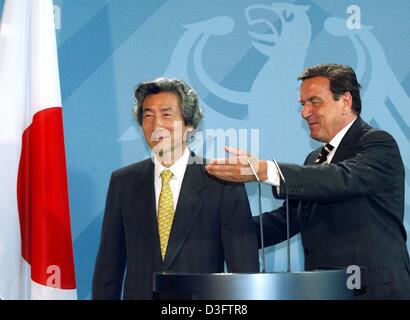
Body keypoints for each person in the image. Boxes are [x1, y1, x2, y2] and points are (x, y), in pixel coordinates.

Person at [205, 64, 410, 299]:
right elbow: (288, 219)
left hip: (376, 290)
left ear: (345, 102)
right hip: (326, 290)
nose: (305, 113)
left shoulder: (377, 143)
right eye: (303, 104)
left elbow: (342, 179)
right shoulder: (314, 159)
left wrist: (264, 170)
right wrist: (220, 232)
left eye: (315, 102)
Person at [92, 77, 259, 300]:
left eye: (167, 114)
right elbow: (108, 266)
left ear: (189, 125)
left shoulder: (221, 181)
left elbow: (243, 271)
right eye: (148, 115)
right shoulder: (123, 182)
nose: (156, 125)